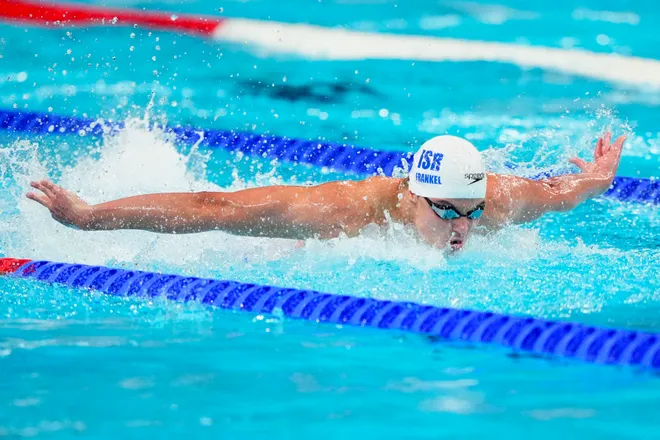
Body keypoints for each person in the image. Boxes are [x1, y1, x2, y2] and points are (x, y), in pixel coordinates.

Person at [26, 132, 626, 251]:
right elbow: (216, 209)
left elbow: (561, 192)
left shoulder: (492, 201)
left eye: (470, 213)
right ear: (414, 195)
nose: (462, 230)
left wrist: (596, 180)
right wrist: (88, 217)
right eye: (446, 211)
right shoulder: (344, 213)